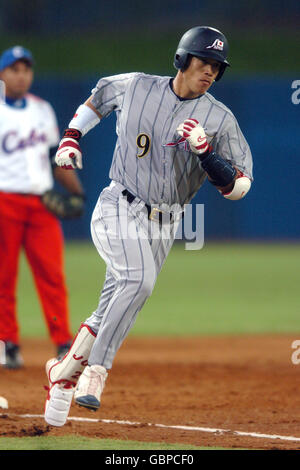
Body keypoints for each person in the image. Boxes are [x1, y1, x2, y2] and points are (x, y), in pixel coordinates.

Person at [44, 26, 253, 427]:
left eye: (217, 67)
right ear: (182, 59)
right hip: (118, 204)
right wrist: (71, 137)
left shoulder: (219, 119)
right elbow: (99, 99)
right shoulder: (137, 86)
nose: (210, 71)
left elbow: (239, 187)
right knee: (137, 282)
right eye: (203, 61)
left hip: (166, 223)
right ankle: (95, 373)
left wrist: (208, 154)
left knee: (111, 307)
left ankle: (62, 375)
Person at [0, 46, 85, 369]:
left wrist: (77, 193)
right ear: (2, 74)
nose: (21, 75)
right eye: (14, 69)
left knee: (52, 275)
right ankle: (7, 344)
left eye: (26, 69)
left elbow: (56, 159)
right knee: (3, 278)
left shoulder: (42, 110)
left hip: (42, 204)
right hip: (4, 201)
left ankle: (63, 343)